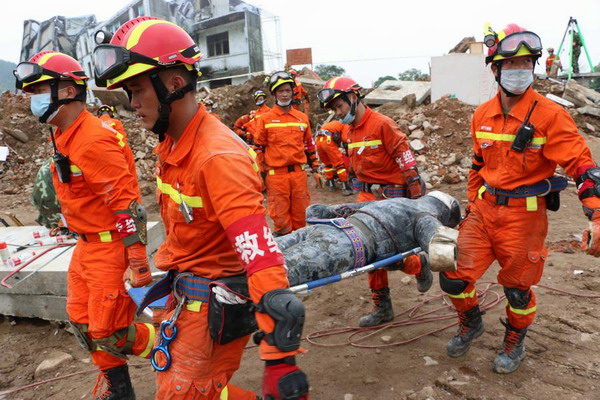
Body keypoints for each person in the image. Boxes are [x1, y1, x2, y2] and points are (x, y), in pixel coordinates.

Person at [94, 16, 309, 399]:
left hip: (211, 307)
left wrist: (280, 359)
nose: (132, 103)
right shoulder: (173, 143)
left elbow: (260, 255)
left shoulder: (217, 157)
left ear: (175, 84)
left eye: (139, 89)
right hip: (183, 296)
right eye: (128, 92)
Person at [440, 23, 600, 375]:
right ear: (495, 69)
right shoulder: (481, 114)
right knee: (452, 276)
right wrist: (471, 202)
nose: (519, 71)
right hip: (483, 213)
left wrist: (596, 214)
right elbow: (477, 165)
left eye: (526, 64)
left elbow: (583, 166)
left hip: (524, 220)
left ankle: (515, 340)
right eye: (511, 65)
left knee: (517, 290)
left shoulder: (550, 115)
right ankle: (470, 322)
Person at [15, 51, 154, 399]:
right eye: (31, 93)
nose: (33, 100)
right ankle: (120, 391)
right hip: (86, 246)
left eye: (39, 91)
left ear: (67, 90)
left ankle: (175, 343)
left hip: (110, 248)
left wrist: (137, 262)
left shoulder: (92, 138)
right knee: (83, 322)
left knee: (111, 331)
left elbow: (126, 205)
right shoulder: (63, 132)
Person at [317, 76, 432, 327]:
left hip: (390, 197)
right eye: (334, 109)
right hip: (366, 198)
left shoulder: (382, 124)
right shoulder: (348, 130)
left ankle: (418, 264)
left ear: (353, 97)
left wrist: (415, 196)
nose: (338, 113)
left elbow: (405, 158)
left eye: (339, 106)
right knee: (366, 250)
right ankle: (382, 306)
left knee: (390, 251)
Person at [254, 71, 319, 236]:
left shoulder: (302, 118)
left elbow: (309, 146)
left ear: (293, 92)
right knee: (281, 221)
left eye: (287, 91)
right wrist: (260, 175)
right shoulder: (265, 119)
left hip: (299, 175)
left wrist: (316, 170)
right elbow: (259, 149)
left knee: (301, 218)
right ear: (274, 94)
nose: (284, 94)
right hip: (276, 177)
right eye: (280, 91)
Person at [315, 120, 353, 195]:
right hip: (328, 141)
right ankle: (346, 187)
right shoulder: (345, 125)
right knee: (339, 164)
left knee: (327, 164)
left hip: (318, 141)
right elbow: (345, 140)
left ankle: (331, 185)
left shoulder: (332, 124)